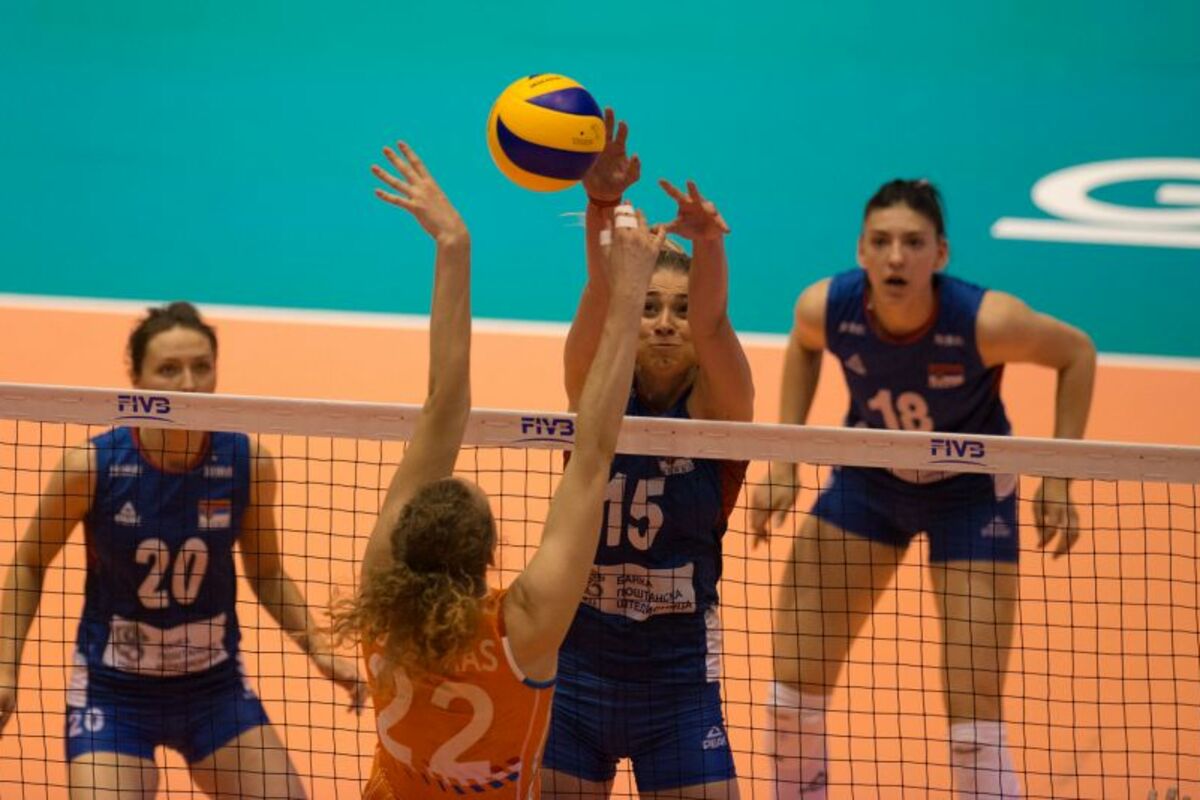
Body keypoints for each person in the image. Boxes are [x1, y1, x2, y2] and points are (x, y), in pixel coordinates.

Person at [333, 141, 661, 799]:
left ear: (401, 543)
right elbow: (593, 452)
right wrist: (629, 293)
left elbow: (446, 409)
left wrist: (453, 244)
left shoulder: (381, 606)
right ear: (489, 553)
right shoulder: (520, 632)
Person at [749, 179, 1097, 799]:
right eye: (881, 241)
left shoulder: (987, 321)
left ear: (941, 254)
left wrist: (1060, 476)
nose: (896, 257)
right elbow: (803, 347)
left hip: (971, 496)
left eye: (913, 243)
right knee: (790, 697)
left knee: (973, 722)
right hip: (869, 481)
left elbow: (1078, 353)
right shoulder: (826, 307)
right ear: (860, 250)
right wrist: (784, 460)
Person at [0, 302, 364, 798]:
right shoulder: (91, 466)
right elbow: (28, 562)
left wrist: (319, 650)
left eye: (201, 367)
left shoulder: (247, 462)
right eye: (169, 369)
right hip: (114, 695)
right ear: (136, 378)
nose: (189, 384)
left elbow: (268, 572)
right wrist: (5, 667)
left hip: (214, 692)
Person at [541, 110, 755, 799]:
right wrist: (601, 206)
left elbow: (715, 326)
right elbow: (602, 294)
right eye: (650, 307)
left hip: (679, 687)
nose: (664, 323)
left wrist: (709, 242)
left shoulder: (721, 413)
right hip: (573, 676)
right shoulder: (596, 394)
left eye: (679, 309)